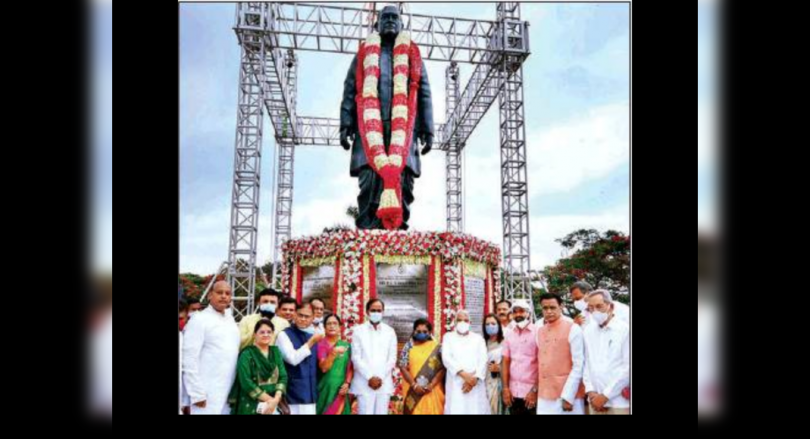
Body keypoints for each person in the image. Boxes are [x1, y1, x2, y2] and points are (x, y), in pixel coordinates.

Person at [182, 281, 241, 414]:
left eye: (227, 293)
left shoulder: (230, 320)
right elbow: (189, 358)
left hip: (228, 391)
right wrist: (196, 393)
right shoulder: (199, 319)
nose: (224, 296)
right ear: (210, 295)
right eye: (219, 292)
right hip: (205, 392)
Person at [534, 293, 585, 415]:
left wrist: (569, 396)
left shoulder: (573, 328)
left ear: (561, 307)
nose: (549, 311)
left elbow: (579, 365)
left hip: (567, 393)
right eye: (545, 308)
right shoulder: (539, 331)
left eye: (552, 307)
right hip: (544, 394)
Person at [582, 290, 630, 415]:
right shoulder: (588, 331)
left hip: (619, 402)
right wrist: (591, 392)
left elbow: (628, 367)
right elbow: (586, 363)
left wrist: (605, 396)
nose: (595, 312)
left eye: (599, 306)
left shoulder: (625, 330)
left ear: (611, 306)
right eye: (591, 308)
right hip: (595, 400)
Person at [229, 319, 288, 415]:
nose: (266, 335)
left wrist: (276, 399)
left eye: (269, 332)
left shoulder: (276, 352)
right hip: (251, 403)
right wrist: (270, 400)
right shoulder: (247, 354)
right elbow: (246, 382)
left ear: (273, 334)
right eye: (262, 332)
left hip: (274, 403)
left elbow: (283, 376)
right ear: (254, 335)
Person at [275, 302, 325, 415]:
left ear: (313, 318)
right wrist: (311, 342)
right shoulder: (284, 335)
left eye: (307, 316)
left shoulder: (315, 334)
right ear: (294, 315)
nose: (302, 319)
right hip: (292, 392)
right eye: (300, 315)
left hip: (311, 392)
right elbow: (292, 359)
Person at [350, 299, 398, 415]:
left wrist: (380, 377)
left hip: (383, 383)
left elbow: (392, 358)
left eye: (379, 310)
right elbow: (356, 357)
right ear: (367, 312)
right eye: (373, 310)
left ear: (383, 312)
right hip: (364, 382)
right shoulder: (358, 331)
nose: (376, 313)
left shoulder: (390, 331)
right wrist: (369, 377)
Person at [442, 310, 489, 414]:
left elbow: (483, 359)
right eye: (459, 320)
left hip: (475, 383)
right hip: (456, 382)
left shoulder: (478, 338)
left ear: (470, 323)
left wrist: (475, 379)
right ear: (454, 322)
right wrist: (464, 375)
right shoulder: (448, 337)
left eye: (465, 320)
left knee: (475, 409)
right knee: (456, 408)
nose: (462, 323)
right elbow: (446, 358)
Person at [399, 318, 445, 415]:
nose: (421, 333)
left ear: (430, 332)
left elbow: (442, 368)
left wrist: (431, 385)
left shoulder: (437, 347)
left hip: (432, 390)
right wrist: (414, 385)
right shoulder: (408, 346)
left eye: (425, 331)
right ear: (414, 331)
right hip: (413, 390)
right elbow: (403, 367)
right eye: (418, 331)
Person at [501, 299, 538, 415]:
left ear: (529, 313)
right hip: (513, 392)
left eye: (521, 311)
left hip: (531, 392)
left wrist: (535, 390)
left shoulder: (538, 333)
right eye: (515, 312)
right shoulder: (509, 334)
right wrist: (505, 388)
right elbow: (505, 362)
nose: (518, 315)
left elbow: (543, 364)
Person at [316, 314, 354, 415]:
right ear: (324, 328)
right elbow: (324, 368)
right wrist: (334, 352)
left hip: (341, 390)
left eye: (335, 324)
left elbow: (350, 368)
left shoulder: (347, 346)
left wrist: (347, 383)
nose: (332, 326)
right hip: (325, 390)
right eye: (329, 324)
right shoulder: (321, 345)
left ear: (340, 327)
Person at [483, 314, 505, 415]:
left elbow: (513, 364)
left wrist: (500, 368)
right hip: (483, 383)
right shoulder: (482, 343)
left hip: (498, 382)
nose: (490, 326)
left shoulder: (505, 342)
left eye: (493, 323)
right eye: (487, 324)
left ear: (499, 325)